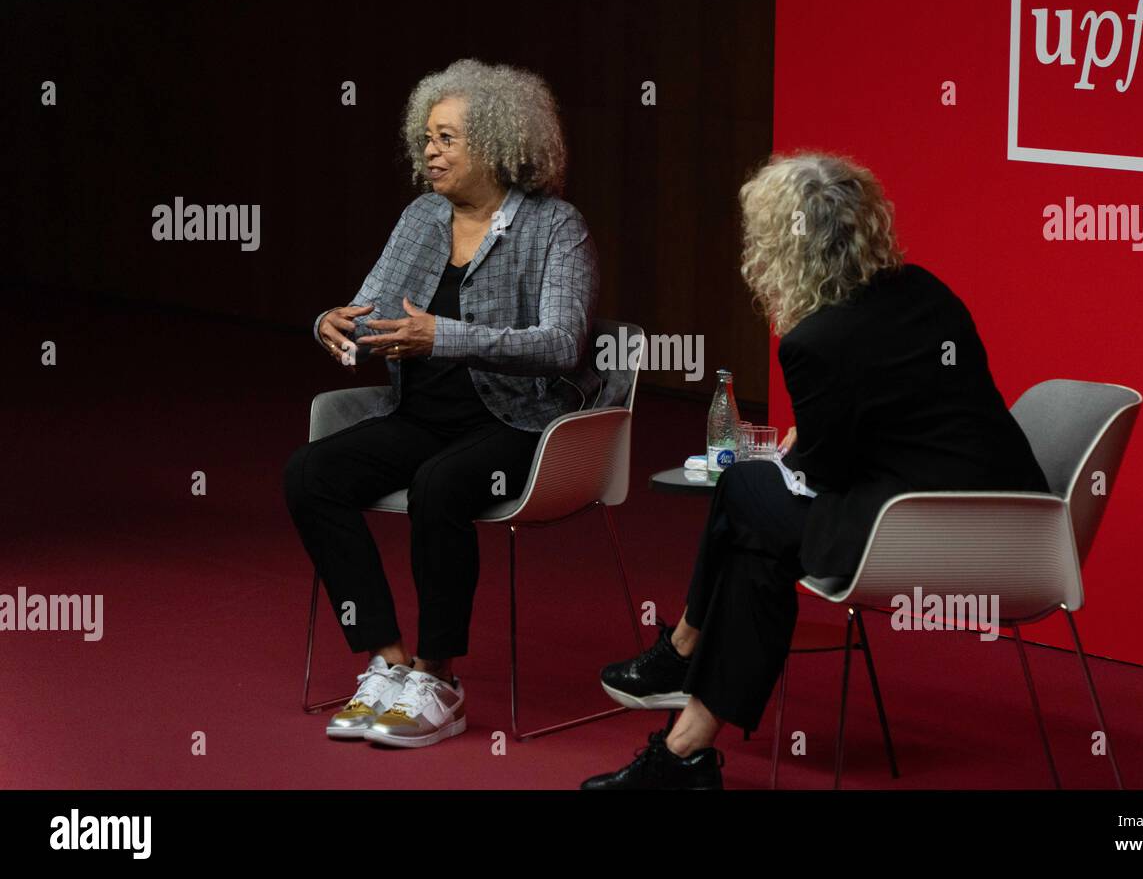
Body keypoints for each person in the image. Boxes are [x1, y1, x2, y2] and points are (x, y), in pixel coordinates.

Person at [581, 152, 1050, 788]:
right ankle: (684, 749)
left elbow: (827, 471)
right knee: (758, 548)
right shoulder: (929, 292)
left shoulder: (815, 342)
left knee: (745, 490)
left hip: (915, 538)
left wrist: (792, 452)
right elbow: (912, 421)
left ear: (781, 249)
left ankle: (684, 650)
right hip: (1015, 531)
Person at [283, 58, 600, 749]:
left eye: (447, 138)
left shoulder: (556, 227)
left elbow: (562, 343)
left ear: (497, 141)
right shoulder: (423, 217)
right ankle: (389, 663)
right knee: (311, 474)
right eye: (425, 138)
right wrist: (333, 323)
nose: (429, 151)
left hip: (517, 422)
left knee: (441, 485)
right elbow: (372, 311)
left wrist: (445, 335)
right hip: (422, 418)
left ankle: (438, 677)